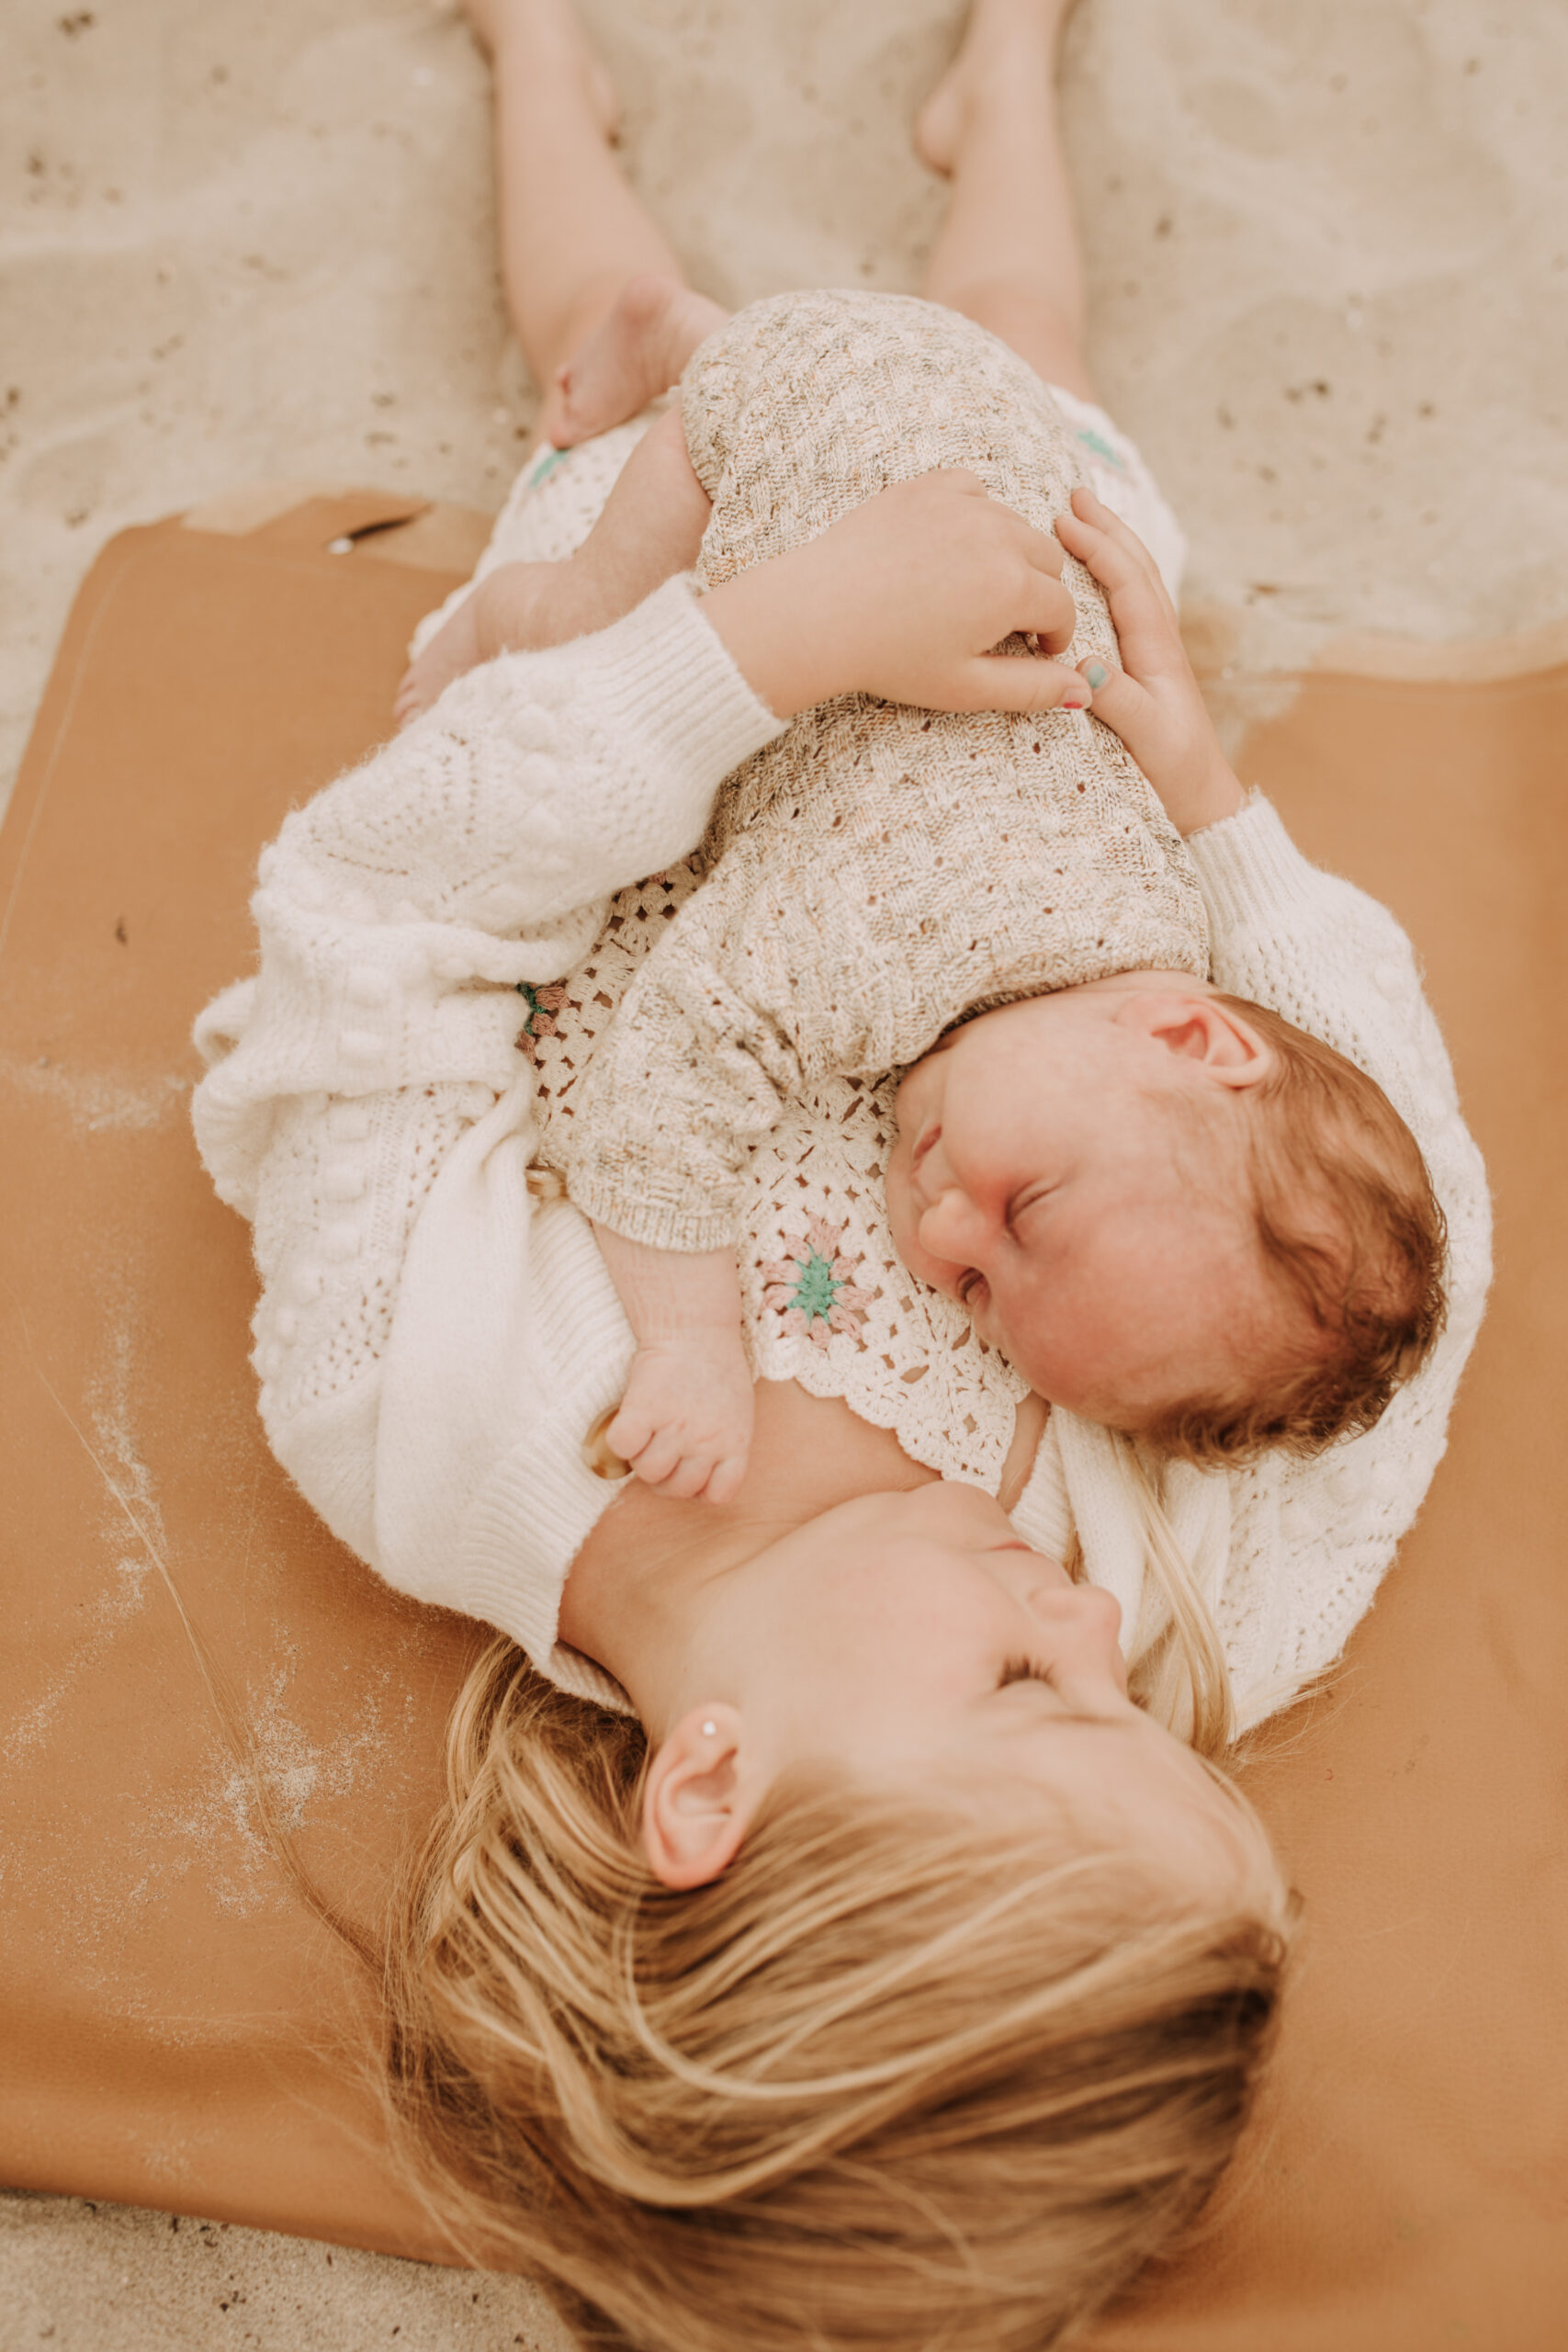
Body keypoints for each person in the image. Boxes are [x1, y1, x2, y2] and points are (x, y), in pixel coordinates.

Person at [188, 0, 1488, 2344]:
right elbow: (1423, 1244)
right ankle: (997, 96)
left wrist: (756, 641)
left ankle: (535, 70)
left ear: (711, 1790)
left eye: (1027, 1686)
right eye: (1143, 1714)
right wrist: (1221, 824)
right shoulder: (1195, 1605)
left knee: (604, 347)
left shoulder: (417, 1406)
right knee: (1016, 340)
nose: (1106, 1635)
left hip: (655, 606)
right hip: (1034, 676)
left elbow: (370, 927)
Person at [395, 282, 1445, 1510]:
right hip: (776, 422)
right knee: (579, 627)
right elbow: (661, 1091)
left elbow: (1315, 1025)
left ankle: (696, 324)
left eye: (979, 1296)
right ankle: (513, 585)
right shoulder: (880, 942)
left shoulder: (1166, 949)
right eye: (1026, 1208)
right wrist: (691, 1345)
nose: (943, 1234)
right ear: (1187, 1032)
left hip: (970, 407)